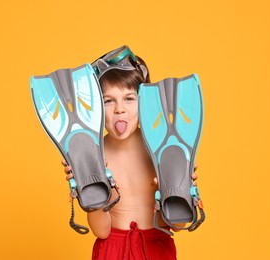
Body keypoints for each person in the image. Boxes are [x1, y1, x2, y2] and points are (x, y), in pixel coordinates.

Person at [61, 46, 199, 260]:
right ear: (96, 107)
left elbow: (178, 224)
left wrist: (181, 187)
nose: (119, 109)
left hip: (157, 248)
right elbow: (101, 231)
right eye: (109, 101)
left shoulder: (162, 148)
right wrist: (88, 190)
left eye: (129, 98)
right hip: (112, 251)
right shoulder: (92, 153)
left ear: (144, 101)